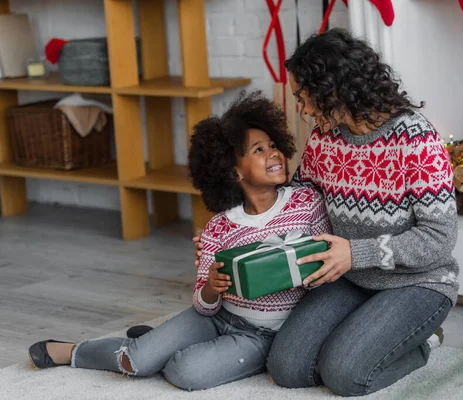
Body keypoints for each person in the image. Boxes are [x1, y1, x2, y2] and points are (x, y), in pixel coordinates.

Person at [195, 28, 459, 396]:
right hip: (349, 278)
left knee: (344, 375)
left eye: (304, 98)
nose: (301, 110)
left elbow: (439, 239)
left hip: (415, 283)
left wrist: (354, 253)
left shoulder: (415, 139)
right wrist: (232, 229)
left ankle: (422, 344)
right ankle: (366, 335)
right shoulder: (325, 139)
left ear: (333, 89)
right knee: (287, 368)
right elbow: (297, 197)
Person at [28, 91, 331, 391]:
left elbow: (325, 265)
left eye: (274, 145)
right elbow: (203, 305)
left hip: (263, 335)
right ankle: (73, 351)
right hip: (217, 319)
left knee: (185, 372)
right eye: (259, 150)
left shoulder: (306, 203)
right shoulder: (219, 227)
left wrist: (296, 268)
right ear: (233, 170)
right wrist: (213, 285)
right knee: (137, 361)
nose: (274, 153)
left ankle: (154, 343)